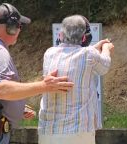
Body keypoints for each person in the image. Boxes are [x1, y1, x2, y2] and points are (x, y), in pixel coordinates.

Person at [0, 3, 74, 144]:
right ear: (11, 27)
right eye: (19, 26)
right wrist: (44, 85)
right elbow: (1, 89)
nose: (20, 30)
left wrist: (15, 106)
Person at [38, 15, 114, 144]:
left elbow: (74, 55)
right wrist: (105, 48)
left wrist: (94, 48)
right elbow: (104, 66)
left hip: (48, 131)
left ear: (61, 36)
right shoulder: (89, 54)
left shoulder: (49, 53)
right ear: (84, 38)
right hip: (78, 131)